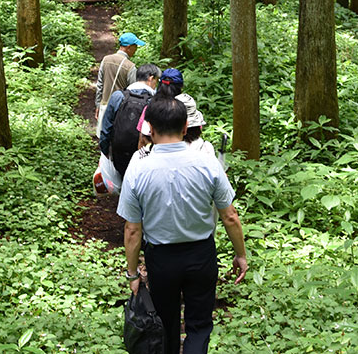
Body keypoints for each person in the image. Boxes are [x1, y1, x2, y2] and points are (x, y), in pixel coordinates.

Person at [118, 96, 247, 354]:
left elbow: (133, 230)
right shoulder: (209, 163)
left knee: (165, 325)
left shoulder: (138, 168)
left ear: (150, 129)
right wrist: (240, 254)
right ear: (186, 127)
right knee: (199, 326)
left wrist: (132, 274)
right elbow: (230, 215)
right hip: (201, 255)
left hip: (161, 259)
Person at [100, 64, 160, 177]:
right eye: (156, 80)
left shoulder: (118, 96)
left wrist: (105, 153)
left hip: (119, 152)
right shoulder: (153, 102)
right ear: (151, 78)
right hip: (142, 154)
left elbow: (106, 128)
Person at [95, 32, 146, 132]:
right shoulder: (130, 67)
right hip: (120, 109)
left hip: (104, 104)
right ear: (128, 47)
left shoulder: (105, 60)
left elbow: (100, 84)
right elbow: (134, 92)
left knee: (103, 135)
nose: (136, 49)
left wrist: (98, 104)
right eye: (135, 46)